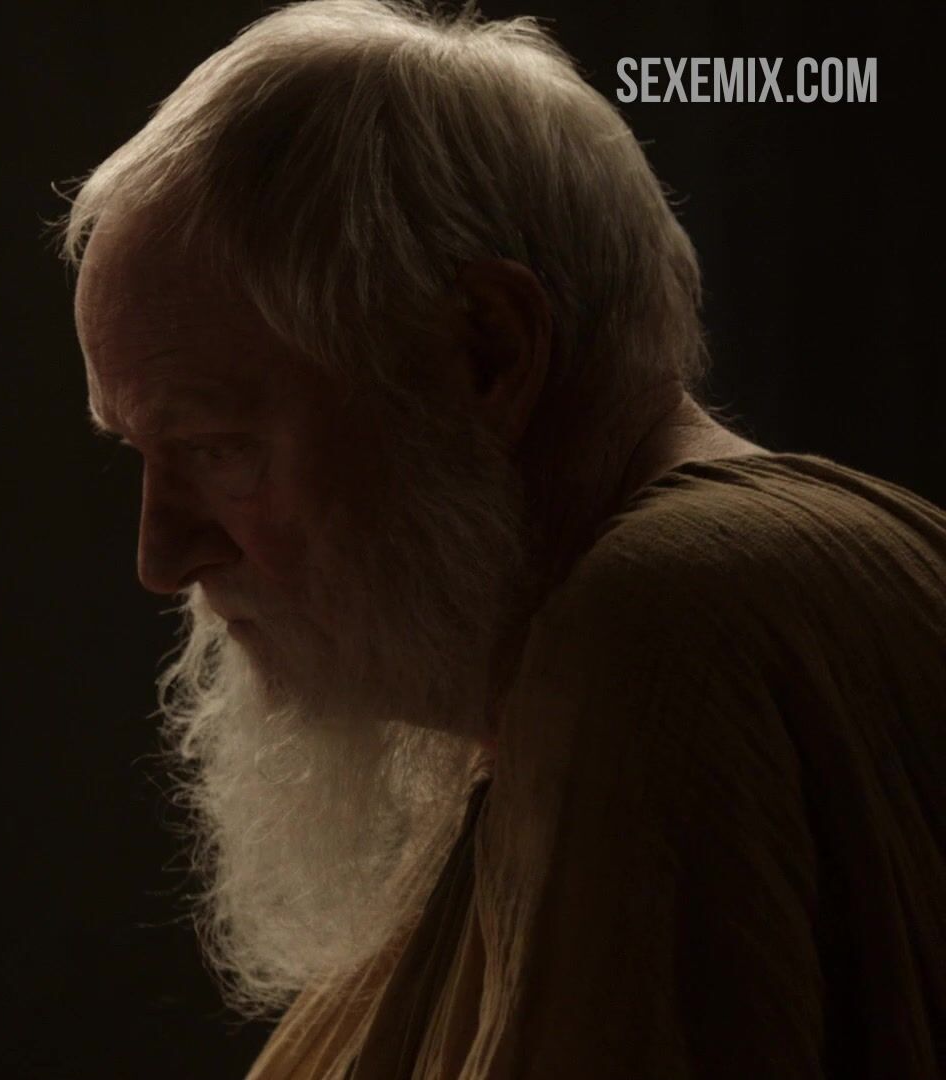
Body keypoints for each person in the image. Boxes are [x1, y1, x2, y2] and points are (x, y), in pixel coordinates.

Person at [59, 2, 946, 1077]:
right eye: (140, 453)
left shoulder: (664, 626)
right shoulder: (562, 670)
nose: (163, 557)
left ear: (486, 350)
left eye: (217, 448)